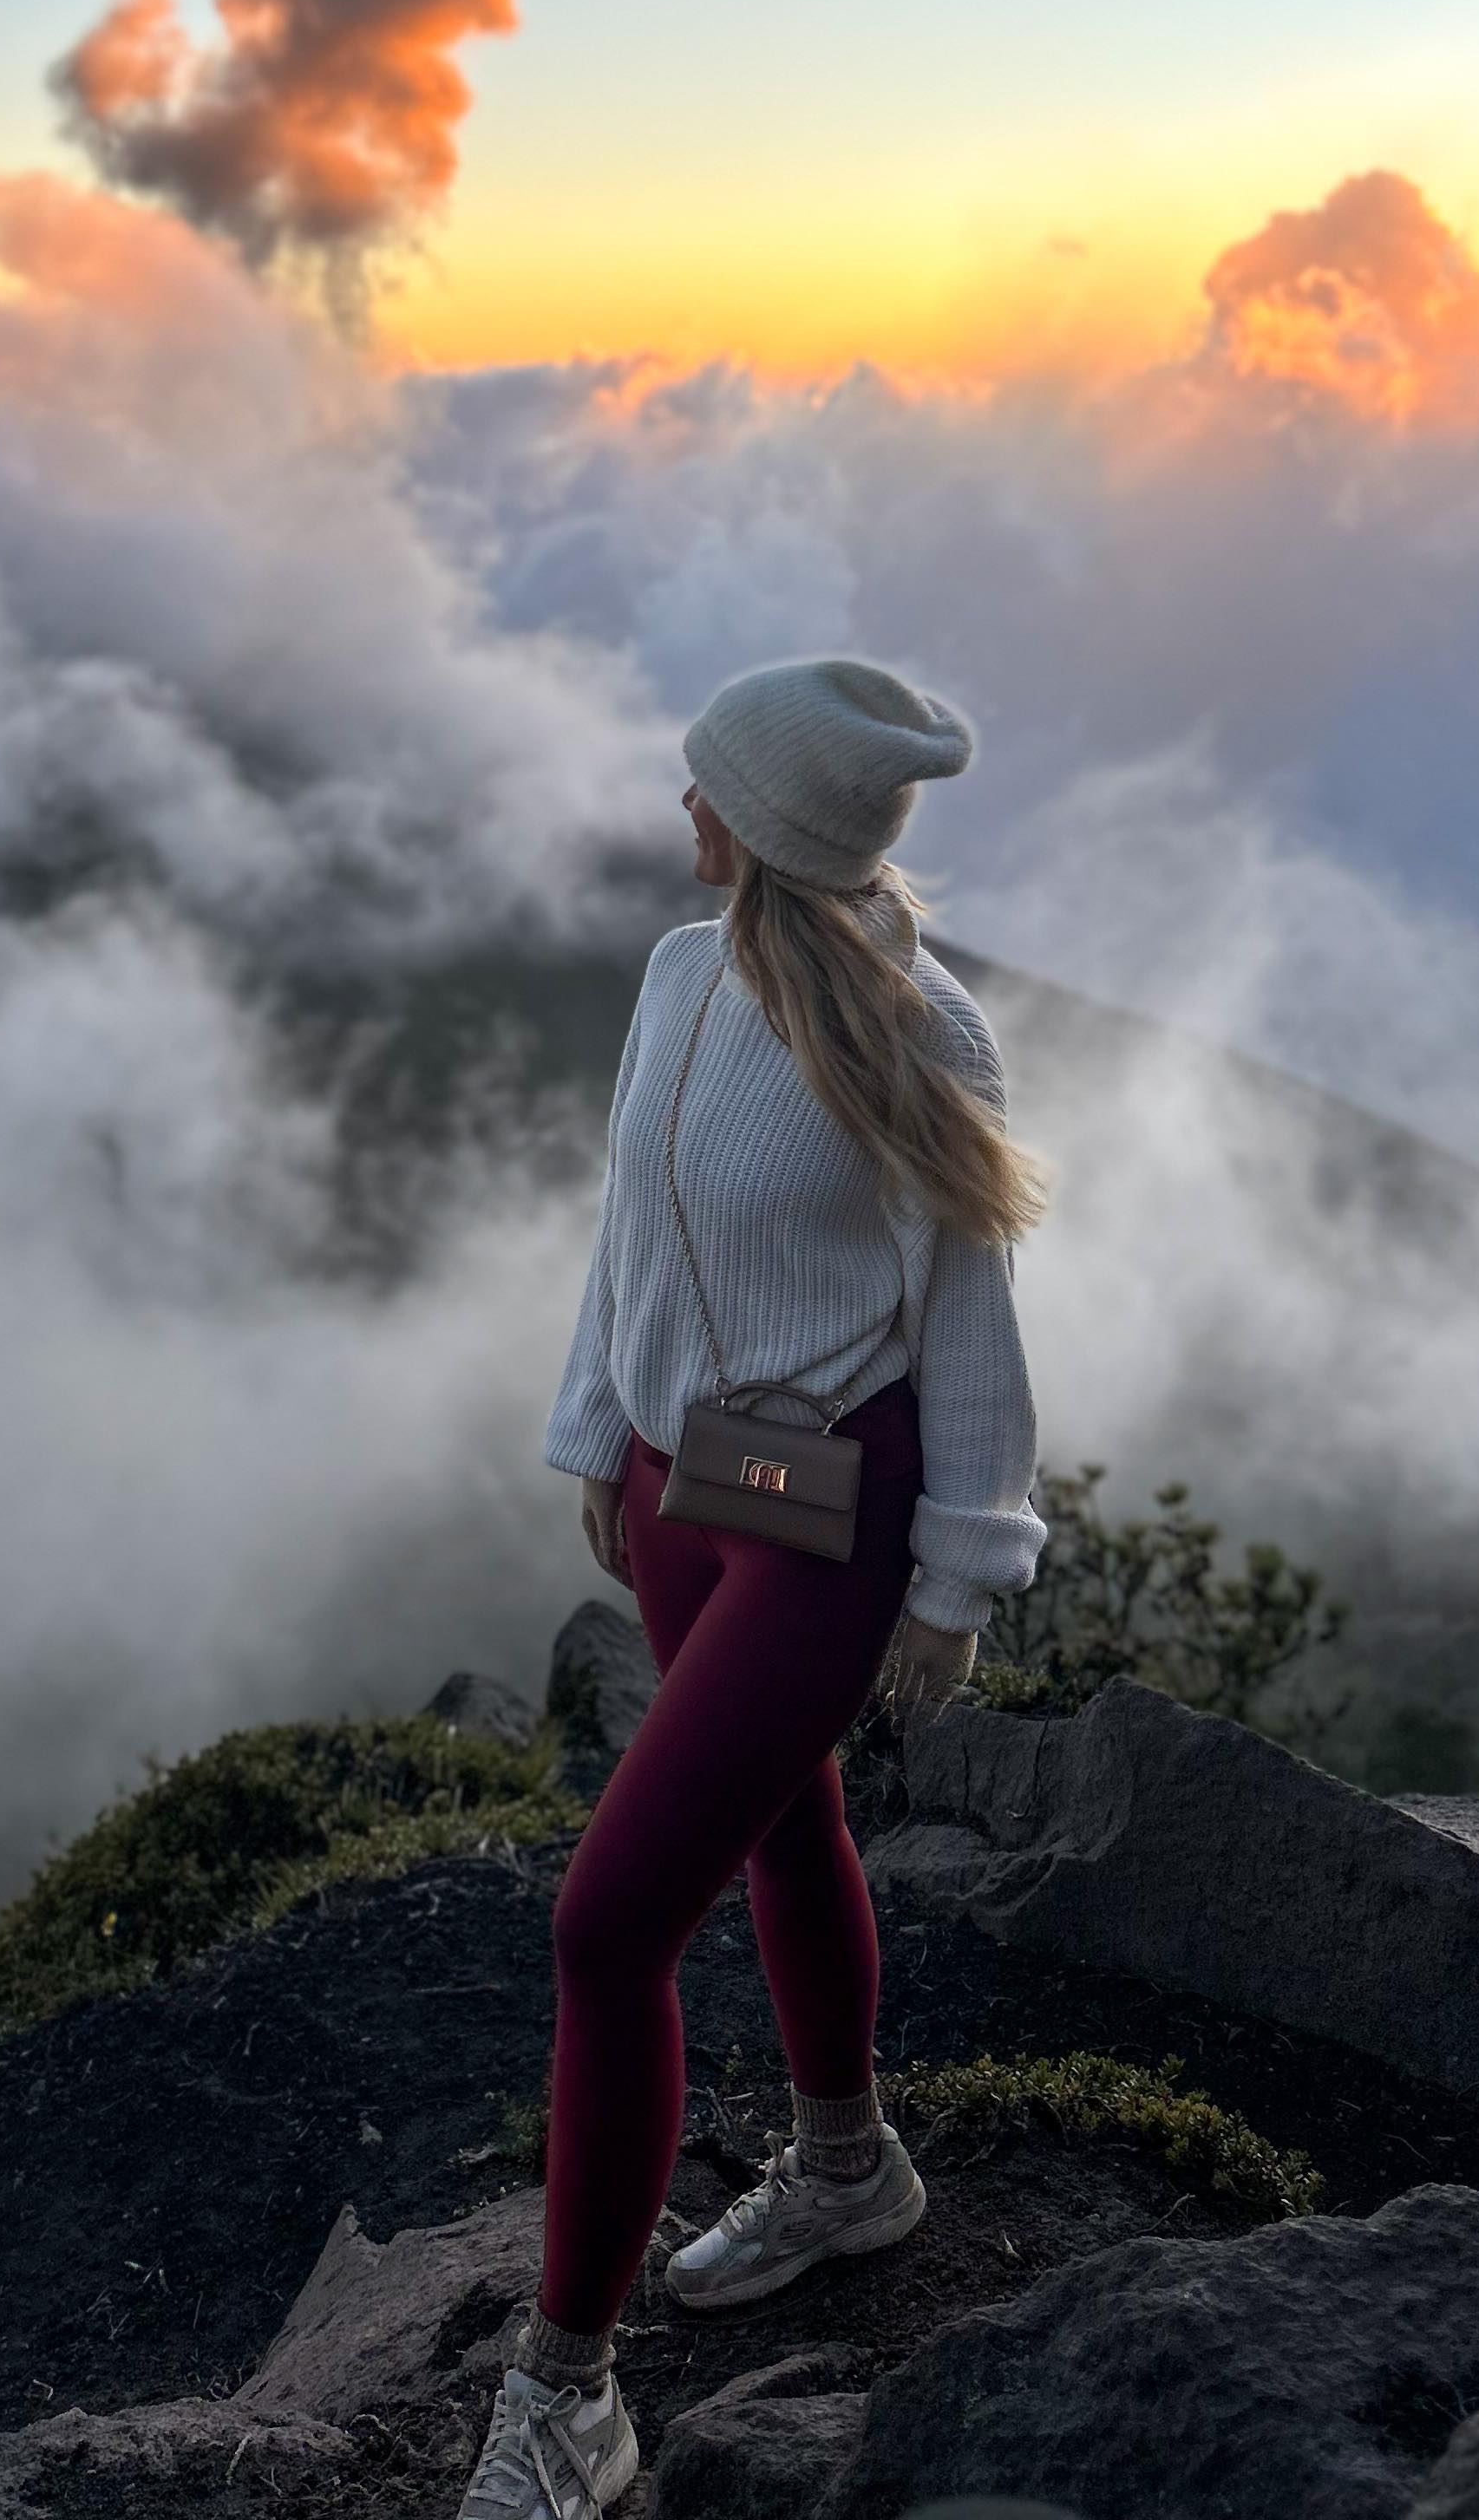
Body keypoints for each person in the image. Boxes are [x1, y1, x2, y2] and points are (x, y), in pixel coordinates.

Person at [458, 656, 1048, 2520]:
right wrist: (599, 1444)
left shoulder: (924, 1034)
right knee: (790, 1838)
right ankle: (850, 2171)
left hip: (827, 1521)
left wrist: (959, 1573)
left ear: (771, 823)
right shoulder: (672, 974)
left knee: (604, 1927)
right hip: (680, 1495)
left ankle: (567, 2399)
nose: (675, 803)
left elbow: (969, 1309)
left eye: (705, 781)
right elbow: (625, 1230)